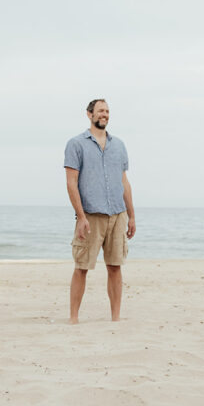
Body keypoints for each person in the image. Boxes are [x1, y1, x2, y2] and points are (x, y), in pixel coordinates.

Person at [64, 98, 136, 324]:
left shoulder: (119, 145)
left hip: (117, 214)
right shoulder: (76, 144)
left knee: (115, 267)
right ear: (89, 114)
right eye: (100, 111)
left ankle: (115, 317)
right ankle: (74, 318)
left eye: (107, 111)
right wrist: (81, 216)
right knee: (82, 267)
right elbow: (71, 182)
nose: (104, 114)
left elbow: (124, 182)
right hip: (91, 216)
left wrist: (132, 215)